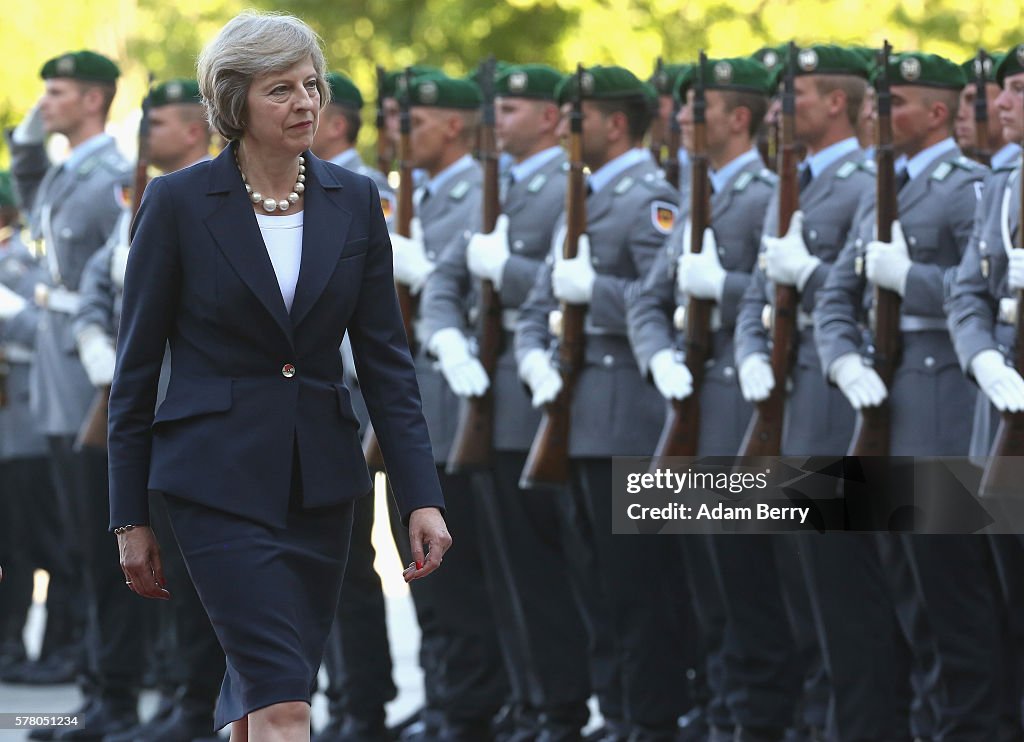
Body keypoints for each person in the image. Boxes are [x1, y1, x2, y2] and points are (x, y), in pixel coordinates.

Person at [106, 12, 450, 741]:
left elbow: (387, 364)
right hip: (214, 483)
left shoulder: (354, 200)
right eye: (280, 89)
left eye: (312, 85)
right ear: (234, 103)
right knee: (289, 703)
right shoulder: (177, 203)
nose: (306, 103)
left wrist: (421, 496)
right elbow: (135, 372)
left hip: (322, 486)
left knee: (266, 692)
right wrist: (129, 516)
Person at [418, 62, 593, 742]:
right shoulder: (501, 187)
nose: (500, 122)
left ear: (551, 119)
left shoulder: (564, 188)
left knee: (545, 577)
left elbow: (556, 288)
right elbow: (446, 282)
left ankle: (559, 710)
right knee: (511, 580)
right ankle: (528, 706)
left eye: (514, 108)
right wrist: (449, 342)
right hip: (480, 402)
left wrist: (507, 274)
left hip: (530, 404)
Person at [514, 65, 688, 742]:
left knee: (639, 591)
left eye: (575, 117)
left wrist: (596, 293)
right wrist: (533, 354)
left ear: (615, 124)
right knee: (597, 587)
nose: (562, 128)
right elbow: (543, 302)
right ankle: (616, 711)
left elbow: (666, 304)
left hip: (631, 417)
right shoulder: (581, 197)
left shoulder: (650, 198)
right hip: (577, 415)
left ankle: (648, 718)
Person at [626, 56, 780, 740]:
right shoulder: (697, 196)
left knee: (752, 593)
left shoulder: (763, 194)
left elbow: (787, 299)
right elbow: (645, 299)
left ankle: (755, 721)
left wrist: (728, 287)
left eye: (698, 109)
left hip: (743, 417)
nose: (682, 120)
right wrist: (658, 353)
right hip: (691, 414)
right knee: (710, 591)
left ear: (737, 118)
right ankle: (723, 714)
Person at [73, 78, 226, 742]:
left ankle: (197, 705)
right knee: (151, 562)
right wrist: (95, 342)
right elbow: (95, 285)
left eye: (155, 125)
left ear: (193, 130)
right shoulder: (146, 197)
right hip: (142, 403)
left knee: (195, 571)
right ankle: (173, 695)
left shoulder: (213, 200)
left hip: (190, 408)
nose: (144, 138)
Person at [6, 48, 145, 741]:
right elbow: (33, 190)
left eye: (55, 92)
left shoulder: (112, 175)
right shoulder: (73, 170)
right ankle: (98, 689)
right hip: (65, 382)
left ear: (94, 100)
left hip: (94, 377)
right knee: (85, 549)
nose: (44, 104)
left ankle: (113, 693)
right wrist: (28, 135)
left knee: (100, 546)